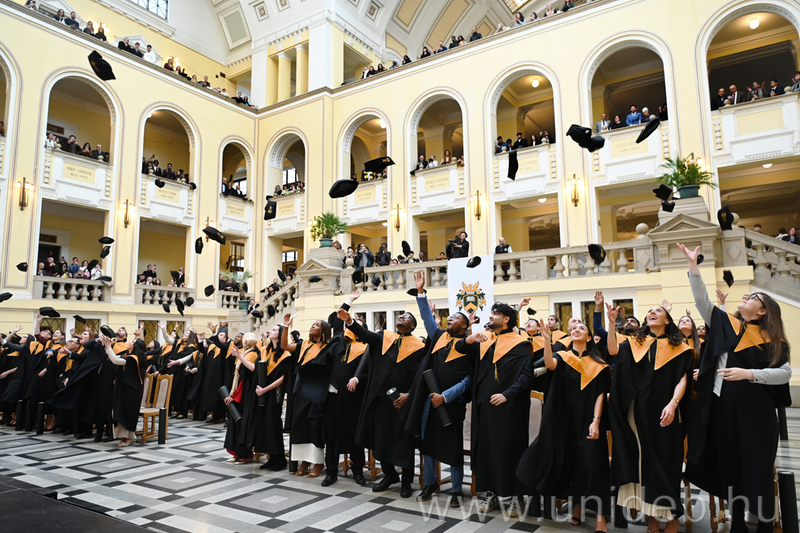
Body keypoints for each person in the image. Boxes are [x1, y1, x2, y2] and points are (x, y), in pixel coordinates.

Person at [679, 243, 792, 533]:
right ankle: (738, 523)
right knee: (729, 466)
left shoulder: (773, 340)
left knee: (757, 468)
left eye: (753, 297)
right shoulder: (728, 324)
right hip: (724, 410)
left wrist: (748, 374)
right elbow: (702, 301)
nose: (746, 297)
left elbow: (784, 374)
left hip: (757, 416)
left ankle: (765, 524)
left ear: (763, 310)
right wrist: (693, 266)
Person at [606, 300, 693, 533]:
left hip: (666, 411)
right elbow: (613, 351)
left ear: (667, 320)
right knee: (643, 463)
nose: (652, 312)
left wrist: (673, 404)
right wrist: (612, 324)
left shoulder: (680, 347)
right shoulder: (635, 342)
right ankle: (653, 517)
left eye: (658, 311)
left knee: (666, 462)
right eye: (649, 311)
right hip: (637, 412)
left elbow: (682, 379)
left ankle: (672, 517)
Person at [517, 319, 611, 530]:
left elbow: (600, 395)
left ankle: (600, 517)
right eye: (574, 328)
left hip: (588, 421)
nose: (576, 330)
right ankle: (577, 507)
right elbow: (549, 364)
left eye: (581, 328)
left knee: (594, 465)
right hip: (563, 421)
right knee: (571, 464)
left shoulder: (598, 364)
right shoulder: (562, 357)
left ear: (589, 337)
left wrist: (596, 421)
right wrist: (547, 341)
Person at [337, 306, 428, 498]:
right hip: (379, 400)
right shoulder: (385, 338)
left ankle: (406, 481)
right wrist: (349, 321)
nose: (401, 317)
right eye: (400, 315)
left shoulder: (420, 348)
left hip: (402, 402)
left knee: (404, 443)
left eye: (406, 316)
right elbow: (365, 334)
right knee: (380, 440)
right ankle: (390, 475)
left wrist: (409, 395)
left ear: (413, 325)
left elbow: (421, 377)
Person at [456, 302, 532, 513]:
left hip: (510, 407)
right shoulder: (485, 340)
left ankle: (516, 496)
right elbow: (460, 348)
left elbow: (526, 375)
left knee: (510, 449)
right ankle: (491, 494)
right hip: (485, 405)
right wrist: (470, 338)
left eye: (495, 313)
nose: (490, 316)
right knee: (486, 449)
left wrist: (507, 395)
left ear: (507, 319)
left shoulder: (520, 343)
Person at [405, 271, 472, 507]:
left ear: (464, 325)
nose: (449, 319)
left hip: (452, 404)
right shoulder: (439, 337)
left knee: (452, 448)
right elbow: (427, 319)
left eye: (455, 318)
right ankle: (430, 483)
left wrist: (445, 396)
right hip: (428, 401)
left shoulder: (469, 347)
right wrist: (420, 293)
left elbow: (469, 380)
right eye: (449, 317)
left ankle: (456, 489)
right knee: (428, 443)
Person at [322, 291, 369, 485]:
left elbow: (371, 374)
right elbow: (339, 319)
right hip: (332, 396)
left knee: (354, 435)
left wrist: (358, 378)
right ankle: (331, 472)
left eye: (357, 325)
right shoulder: (338, 341)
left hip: (352, 398)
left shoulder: (366, 349)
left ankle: (358, 471)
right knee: (331, 437)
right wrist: (349, 300)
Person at [288, 318, 341, 479]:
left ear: (324, 331)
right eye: (312, 324)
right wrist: (285, 326)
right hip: (301, 389)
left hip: (317, 391)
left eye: (317, 325)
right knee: (300, 427)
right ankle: (304, 461)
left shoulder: (328, 347)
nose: (313, 326)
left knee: (314, 427)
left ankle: (318, 462)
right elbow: (284, 346)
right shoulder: (304, 344)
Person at [99, 325, 146, 447]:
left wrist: (108, 347)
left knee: (127, 413)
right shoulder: (128, 355)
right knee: (119, 411)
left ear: (135, 347)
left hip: (131, 390)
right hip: (124, 388)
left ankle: (129, 437)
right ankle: (125, 436)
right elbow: (116, 359)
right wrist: (107, 347)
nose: (130, 342)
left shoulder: (133, 359)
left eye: (133, 342)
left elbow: (116, 360)